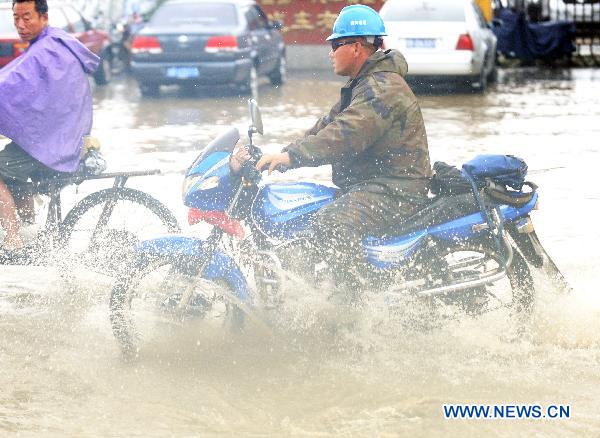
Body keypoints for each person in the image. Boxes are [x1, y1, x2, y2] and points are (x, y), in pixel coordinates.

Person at [255, 4, 432, 294]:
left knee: (332, 222)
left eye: (335, 44)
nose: (330, 52)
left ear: (356, 47)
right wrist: (279, 156)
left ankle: (354, 306)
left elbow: (346, 134)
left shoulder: (383, 87)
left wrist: (293, 157)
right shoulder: (363, 85)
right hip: (370, 185)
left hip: (394, 190)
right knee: (310, 209)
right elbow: (326, 127)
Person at [0, 0, 99, 251]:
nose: (20, 24)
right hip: (58, 136)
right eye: (16, 17)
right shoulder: (54, 41)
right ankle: (29, 229)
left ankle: (13, 240)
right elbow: (24, 89)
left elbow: (11, 84)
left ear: (44, 17)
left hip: (56, 143)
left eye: (27, 17)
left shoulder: (48, 49)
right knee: (12, 165)